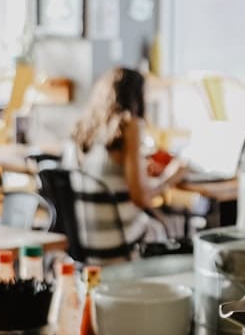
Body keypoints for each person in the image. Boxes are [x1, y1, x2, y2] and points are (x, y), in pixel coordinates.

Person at [64, 67, 186, 261]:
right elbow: (141, 198)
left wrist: (141, 170)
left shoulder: (84, 127)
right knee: (173, 232)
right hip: (120, 247)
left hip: (86, 247)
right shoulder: (129, 125)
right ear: (137, 96)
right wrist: (169, 178)